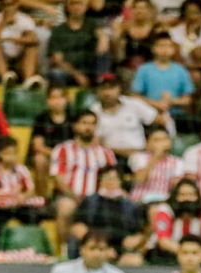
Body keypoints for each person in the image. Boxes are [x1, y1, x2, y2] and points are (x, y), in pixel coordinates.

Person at [50, 110, 117, 250]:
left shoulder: (106, 153)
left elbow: (113, 179)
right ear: (75, 126)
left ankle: (111, 250)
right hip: (71, 197)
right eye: (84, 123)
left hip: (99, 200)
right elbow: (59, 179)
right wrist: (78, 198)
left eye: (92, 124)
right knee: (65, 207)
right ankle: (63, 250)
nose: (88, 127)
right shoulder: (62, 149)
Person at [71, 166, 144, 263]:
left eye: (114, 178)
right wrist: (101, 248)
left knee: (134, 261)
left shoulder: (130, 206)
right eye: (107, 178)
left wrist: (125, 246)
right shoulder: (89, 201)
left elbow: (138, 233)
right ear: (100, 180)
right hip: (94, 247)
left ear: (120, 182)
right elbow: (78, 227)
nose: (110, 182)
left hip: (120, 251)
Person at [0, 136, 46, 248]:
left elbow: (30, 189)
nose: (12, 157)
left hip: (20, 204)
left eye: (15, 153)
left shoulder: (22, 170)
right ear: (0, 154)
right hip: (1, 207)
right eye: (8, 154)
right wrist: (9, 195)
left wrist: (23, 196)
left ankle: (32, 246)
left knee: (32, 214)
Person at [91, 73, 164, 160]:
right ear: (97, 91)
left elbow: (161, 121)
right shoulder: (93, 112)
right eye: (103, 88)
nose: (107, 93)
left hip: (140, 155)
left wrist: (150, 142)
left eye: (111, 88)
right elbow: (94, 142)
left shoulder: (133, 104)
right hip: (110, 157)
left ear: (119, 88)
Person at [149, 178, 201, 260]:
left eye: (191, 195)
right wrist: (186, 254)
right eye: (182, 195)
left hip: (200, 255)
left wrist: (195, 254)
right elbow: (163, 241)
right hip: (168, 253)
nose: (187, 199)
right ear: (175, 197)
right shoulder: (165, 210)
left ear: (197, 197)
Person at [131, 32, 195, 122]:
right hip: (149, 115)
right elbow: (135, 96)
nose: (165, 49)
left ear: (173, 49)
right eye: (161, 46)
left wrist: (172, 101)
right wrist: (156, 104)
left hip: (176, 116)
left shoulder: (181, 70)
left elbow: (188, 99)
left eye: (168, 46)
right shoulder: (144, 69)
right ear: (154, 48)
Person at [48, 0, 110, 87]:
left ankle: (102, 83)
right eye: (73, 3)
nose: (76, 7)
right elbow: (58, 59)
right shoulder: (58, 30)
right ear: (67, 7)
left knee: (104, 52)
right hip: (69, 71)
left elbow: (102, 36)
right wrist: (77, 74)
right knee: (55, 73)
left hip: (90, 67)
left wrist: (103, 39)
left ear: (86, 7)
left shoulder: (91, 25)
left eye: (80, 4)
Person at [0, 0, 42, 87]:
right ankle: (6, 78)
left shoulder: (25, 19)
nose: (8, 8)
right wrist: (4, 22)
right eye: (5, 5)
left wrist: (10, 39)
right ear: (1, 6)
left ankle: (28, 80)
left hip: (19, 57)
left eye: (11, 4)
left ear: (16, 4)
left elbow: (32, 39)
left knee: (32, 47)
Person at [29, 86, 73, 198]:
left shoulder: (73, 118)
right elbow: (38, 146)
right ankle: (43, 198)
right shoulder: (41, 119)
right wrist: (58, 155)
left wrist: (68, 157)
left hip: (71, 159)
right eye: (53, 97)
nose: (57, 101)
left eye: (60, 97)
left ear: (66, 99)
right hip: (51, 158)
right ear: (48, 100)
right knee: (39, 159)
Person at [128, 126, 184, 205]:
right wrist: (155, 157)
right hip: (140, 201)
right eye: (156, 140)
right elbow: (139, 179)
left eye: (164, 139)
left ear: (170, 142)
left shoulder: (178, 162)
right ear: (148, 143)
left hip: (164, 201)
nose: (161, 143)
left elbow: (176, 186)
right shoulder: (139, 157)